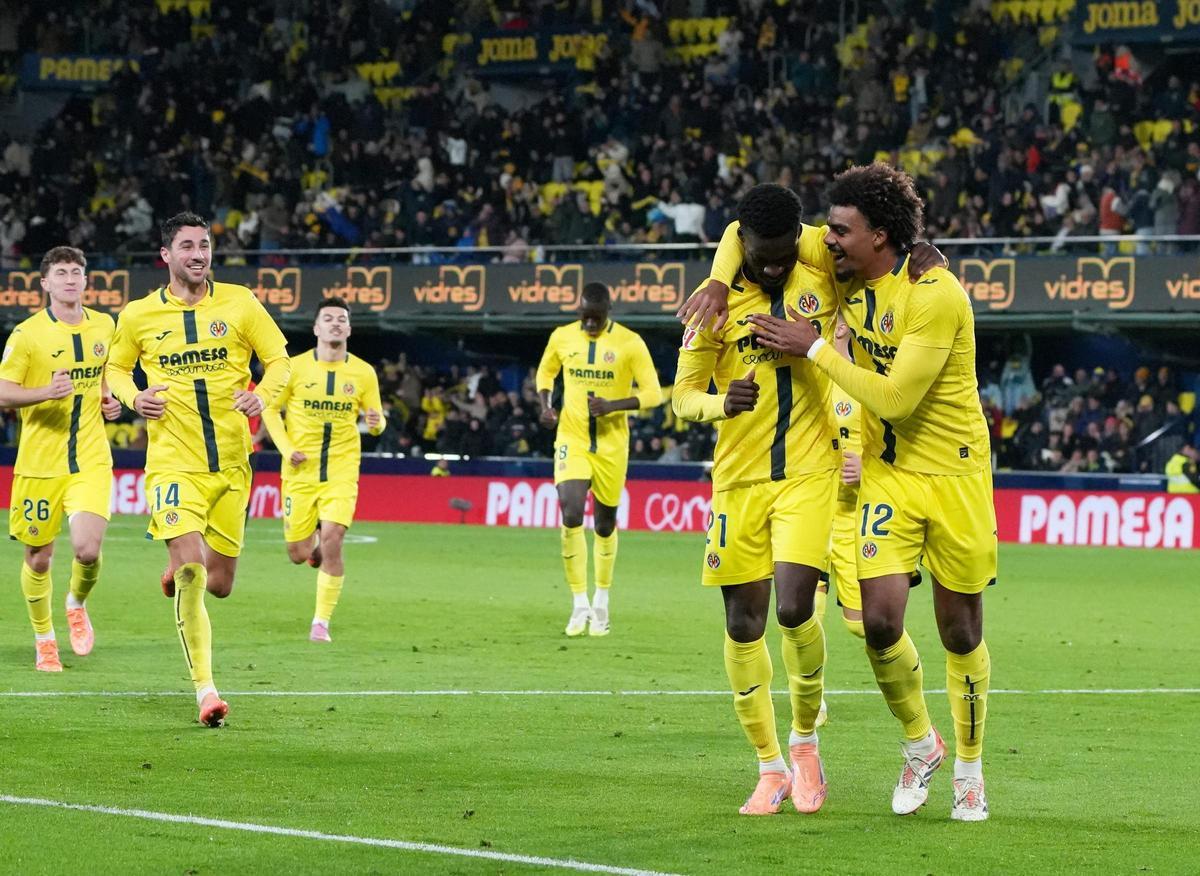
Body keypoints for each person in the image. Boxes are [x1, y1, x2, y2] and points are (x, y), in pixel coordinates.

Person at [740, 163, 996, 822]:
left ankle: (969, 765)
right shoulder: (844, 272)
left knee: (959, 630)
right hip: (888, 474)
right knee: (880, 622)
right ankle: (920, 746)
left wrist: (815, 347)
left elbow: (898, 398)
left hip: (956, 476)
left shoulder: (935, 294)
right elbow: (747, 229)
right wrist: (717, 280)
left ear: (879, 236)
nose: (826, 241)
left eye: (840, 231)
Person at [673, 184, 837, 816]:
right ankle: (769, 767)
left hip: (808, 472)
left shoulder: (820, 272)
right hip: (737, 481)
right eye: (763, 255)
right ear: (741, 242)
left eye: (784, 251)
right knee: (743, 623)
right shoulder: (712, 308)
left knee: (795, 608)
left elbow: (875, 251)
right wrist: (722, 403)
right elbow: (684, 395)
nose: (776, 264)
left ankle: (804, 745)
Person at [106, 212, 291, 727]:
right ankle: (206, 691)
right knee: (192, 569)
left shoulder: (241, 302)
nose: (198, 254)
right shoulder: (139, 315)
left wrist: (262, 397)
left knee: (221, 582)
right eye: (186, 245)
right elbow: (116, 368)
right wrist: (133, 397)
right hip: (172, 464)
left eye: (205, 245)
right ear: (165, 255)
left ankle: (180, 571)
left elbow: (279, 360)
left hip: (232, 465)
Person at [0, 246, 121, 671]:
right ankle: (44, 639)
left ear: (86, 280)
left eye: (77, 272)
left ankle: (76, 603)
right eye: (61, 273)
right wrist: (43, 393)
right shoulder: (27, 334)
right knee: (39, 557)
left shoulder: (106, 325)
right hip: (39, 463)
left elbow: (109, 373)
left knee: (87, 550)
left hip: (90, 457)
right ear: (45, 283)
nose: (71, 279)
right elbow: (2, 390)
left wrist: (109, 399)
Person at [535, 282, 661, 637]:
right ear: (579, 312)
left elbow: (652, 393)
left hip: (611, 444)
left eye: (597, 319)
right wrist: (546, 406)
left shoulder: (630, 343)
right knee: (571, 512)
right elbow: (545, 373)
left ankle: (602, 600)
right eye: (585, 318)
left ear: (608, 313)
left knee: (605, 524)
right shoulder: (562, 338)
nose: (590, 325)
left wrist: (613, 406)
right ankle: (579, 604)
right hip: (572, 439)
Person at [261, 296, 385, 642]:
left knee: (334, 538)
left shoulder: (363, 372)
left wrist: (376, 423)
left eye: (341, 319)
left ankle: (321, 622)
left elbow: (376, 422)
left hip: (342, 471)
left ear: (349, 328)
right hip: (300, 473)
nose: (335, 323)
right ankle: (312, 548)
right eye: (327, 318)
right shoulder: (295, 368)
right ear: (316, 327)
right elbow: (269, 410)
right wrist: (287, 449)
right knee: (298, 554)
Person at [811, 316, 871, 727]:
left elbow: (895, 443)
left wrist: (865, 466)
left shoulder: (869, 381)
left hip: (853, 518)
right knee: (804, 613)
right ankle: (814, 699)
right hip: (813, 512)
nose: (838, 328)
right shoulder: (811, 380)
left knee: (863, 626)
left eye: (844, 322)